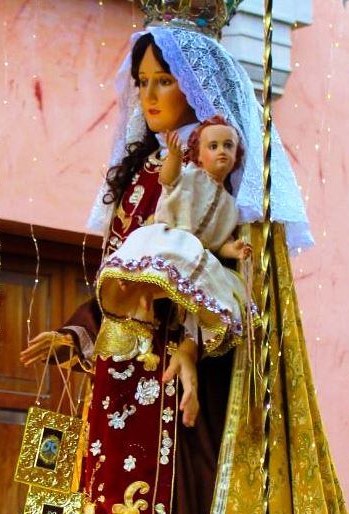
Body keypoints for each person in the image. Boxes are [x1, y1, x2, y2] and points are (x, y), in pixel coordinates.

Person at [20, 20, 349, 514]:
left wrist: (191, 347)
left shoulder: (216, 173)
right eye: (142, 82)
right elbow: (118, 281)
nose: (149, 94)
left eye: (164, 81)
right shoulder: (139, 175)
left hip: (177, 396)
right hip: (117, 394)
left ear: (199, 91)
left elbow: (236, 291)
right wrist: (77, 336)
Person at [97, 115, 254, 363]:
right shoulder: (191, 175)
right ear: (199, 155)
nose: (221, 151)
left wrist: (233, 250)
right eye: (213, 146)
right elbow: (168, 180)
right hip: (170, 236)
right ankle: (136, 291)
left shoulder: (230, 206)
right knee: (153, 264)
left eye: (228, 146)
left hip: (195, 251)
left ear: (237, 156)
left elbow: (218, 243)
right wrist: (173, 156)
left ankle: (175, 321)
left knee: (208, 285)